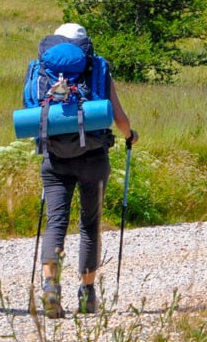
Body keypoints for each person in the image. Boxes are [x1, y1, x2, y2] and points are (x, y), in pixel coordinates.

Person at [28, 22, 135, 318]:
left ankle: (51, 285)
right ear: (85, 43)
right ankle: (87, 294)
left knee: (55, 223)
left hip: (54, 158)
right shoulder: (96, 67)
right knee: (89, 225)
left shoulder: (43, 69)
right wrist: (129, 136)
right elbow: (118, 116)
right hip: (94, 157)